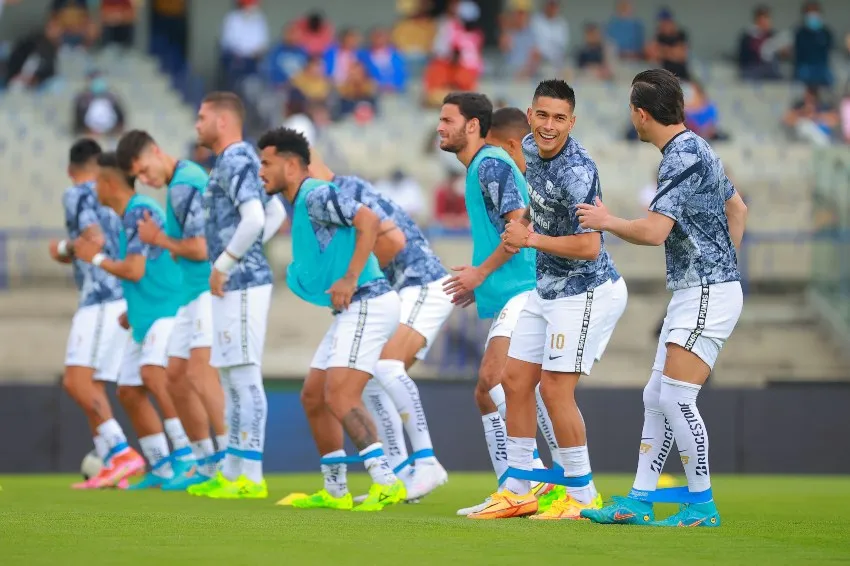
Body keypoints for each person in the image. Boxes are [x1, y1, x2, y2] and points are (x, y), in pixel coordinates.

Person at [576, 69, 747, 527]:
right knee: (657, 395)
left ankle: (702, 505)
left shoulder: (680, 156)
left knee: (675, 399)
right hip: (704, 288)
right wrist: (723, 264)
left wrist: (605, 220)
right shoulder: (697, 148)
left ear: (640, 113)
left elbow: (653, 232)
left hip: (706, 290)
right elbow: (738, 208)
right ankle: (640, 499)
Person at [471, 81, 613, 520]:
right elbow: (538, 207)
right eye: (543, 115)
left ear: (572, 122)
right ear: (530, 116)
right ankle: (518, 489)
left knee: (553, 390)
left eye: (559, 118)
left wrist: (529, 237)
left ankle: (583, 495)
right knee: (513, 381)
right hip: (546, 286)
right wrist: (525, 227)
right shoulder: (528, 150)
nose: (549, 126)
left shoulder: (579, 170)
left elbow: (590, 246)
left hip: (585, 287)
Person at [257, 127, 406, 511]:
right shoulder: (304, 201)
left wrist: (350, 277)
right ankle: (336, 489)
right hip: (354, 307)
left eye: (266, 163)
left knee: (340, 394)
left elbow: (369, 220)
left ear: (291, 166)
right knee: (313, 395)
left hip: (368, 301)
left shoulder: (315, 194)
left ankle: (387, 482)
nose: (261, 171)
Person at [307, 152, 452, 501]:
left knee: (386, 366)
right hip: (402, 290)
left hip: (421, 281)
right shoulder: (333, 196)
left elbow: (392, 243)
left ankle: (428, 462)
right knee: (369, 375)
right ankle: (400, 472)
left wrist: (355, 276)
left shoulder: (343, 192)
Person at [436, 92, 552, 517]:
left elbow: (520, 223)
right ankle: (514, 489)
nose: (439, 127)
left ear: (472, 126)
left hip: (524, 288)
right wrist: (476, 279)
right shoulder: (478, 169)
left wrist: (480, 274)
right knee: (487, 394)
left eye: (448, 119)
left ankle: (534, 481)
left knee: (494, 382)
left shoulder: (490, 163)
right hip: (509, 290)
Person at [116, 130, 228, 490]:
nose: (145, 180)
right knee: (176, 377)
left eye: (145, 170)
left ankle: (229, 460)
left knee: (198, 373)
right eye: (139, 176)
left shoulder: (185, 184)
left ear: (156, 151)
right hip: (188, 292)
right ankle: (205, 462)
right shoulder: (178, 185)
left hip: (206, 289)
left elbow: (198, 248)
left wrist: (159, 240)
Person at [72, 152, 191, 490]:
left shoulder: (139, 211)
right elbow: (146, 270)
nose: (94, 188)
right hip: (145, 312)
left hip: (165, 309)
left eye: (97, 182)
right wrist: (132, 310)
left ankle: (186, 455)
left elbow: (135, 269)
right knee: (128, 390)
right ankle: (162, 465)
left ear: (109, 183)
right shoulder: (129, 215)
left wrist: (94, 257)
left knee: (154, 376)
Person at [187, 92, 284, 499]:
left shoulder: (239, 158)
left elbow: (258, 216)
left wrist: (226, 263)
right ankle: (231, 471)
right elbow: (275, 213)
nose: (197, 124)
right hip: (233, 283)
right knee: (229, 377)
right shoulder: (231, 162)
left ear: (224, 121)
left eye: (202, 116)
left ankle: (253, 475)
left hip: (240, 283)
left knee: (243, 376)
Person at [48, 139, 138, 490]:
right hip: (120, 294)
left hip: (100, 296)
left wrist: (64, 248)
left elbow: (92, 238)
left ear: (71, 170)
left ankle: (120, 451)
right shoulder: (111, 196)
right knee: (93, 384)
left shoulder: (77, 194)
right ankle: (110, 463)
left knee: (76, 381)